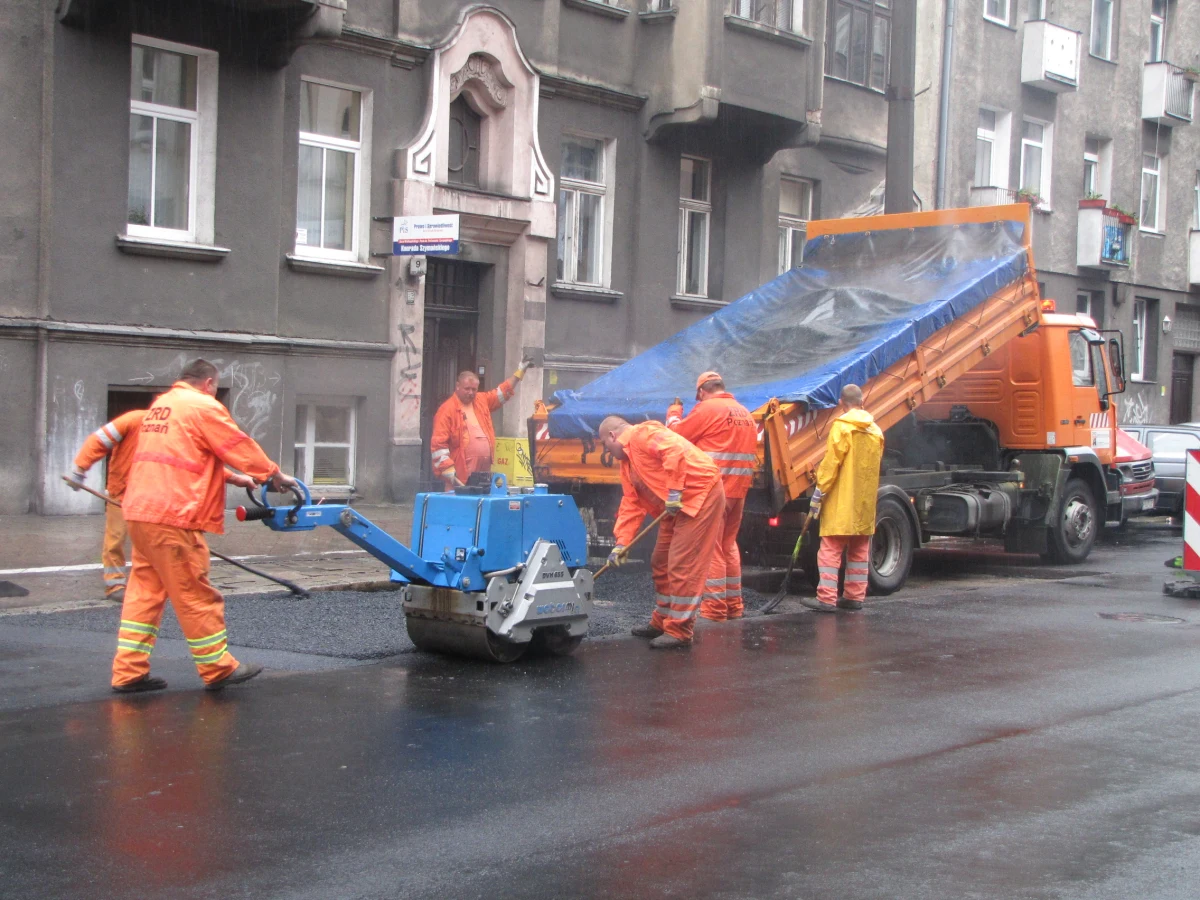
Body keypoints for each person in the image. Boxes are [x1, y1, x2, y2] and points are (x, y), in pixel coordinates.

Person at [111, 359, 297, 694]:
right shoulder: (202, 406)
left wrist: (236, 479)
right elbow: (235, 444)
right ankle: (217, 667)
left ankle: (128, 671)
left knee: (144, 592)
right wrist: (272, 475)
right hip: (173, 515)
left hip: (140, 512)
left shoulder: (161, 407)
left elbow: (186, 458)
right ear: (209, 383)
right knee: (195, 593)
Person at [599, 416, 725, 649]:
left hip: (698, 495)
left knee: (682, 564)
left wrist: (675, 491)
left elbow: (674, 450)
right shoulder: (627, 465)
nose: (606, 450)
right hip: (674, 505)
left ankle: (679, 630)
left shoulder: (643, 433)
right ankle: (663, 620)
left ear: (612, 436)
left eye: (604, 444)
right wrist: (621, 544)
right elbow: (631, 504)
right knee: (661, 561)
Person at [666, 371, 757, 621]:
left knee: (711, 548)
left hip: (715, 492)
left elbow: (675, 437)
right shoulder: (744, 413)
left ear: (701, 392)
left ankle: (715, 608)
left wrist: (674, 414)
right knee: (728, 546)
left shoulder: (708, 409)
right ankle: (734, 605)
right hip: (738, 491)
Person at [803, 384, 884, 613]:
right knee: (859, 549)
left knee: (830, 549)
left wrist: (819, 492)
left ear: (841, 403)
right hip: (864, 503)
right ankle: (854, 597)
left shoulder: (842, 427)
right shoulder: (876, 431)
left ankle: (826, 599)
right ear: (862, 402)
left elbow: (831, 465)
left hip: (842, 502)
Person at [65, 409, 148, 602]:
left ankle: (148, 584)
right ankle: (115, 584)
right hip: (122, 492)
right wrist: (80, 469)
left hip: (150, 494)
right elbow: (99, 440)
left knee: (150, 541)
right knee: (116, 539)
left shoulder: (175, 426)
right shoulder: (134, 420)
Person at [430, 359, 532, 490]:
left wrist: (519, 373)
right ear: (457, 386)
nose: (471, 393)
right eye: (467, 389)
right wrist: (447, 468)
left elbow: (502, 392)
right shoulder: (446, 410)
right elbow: (438, 444)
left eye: (474, 389)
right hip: (459, 475)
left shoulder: (481, 401)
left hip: (483, 475)